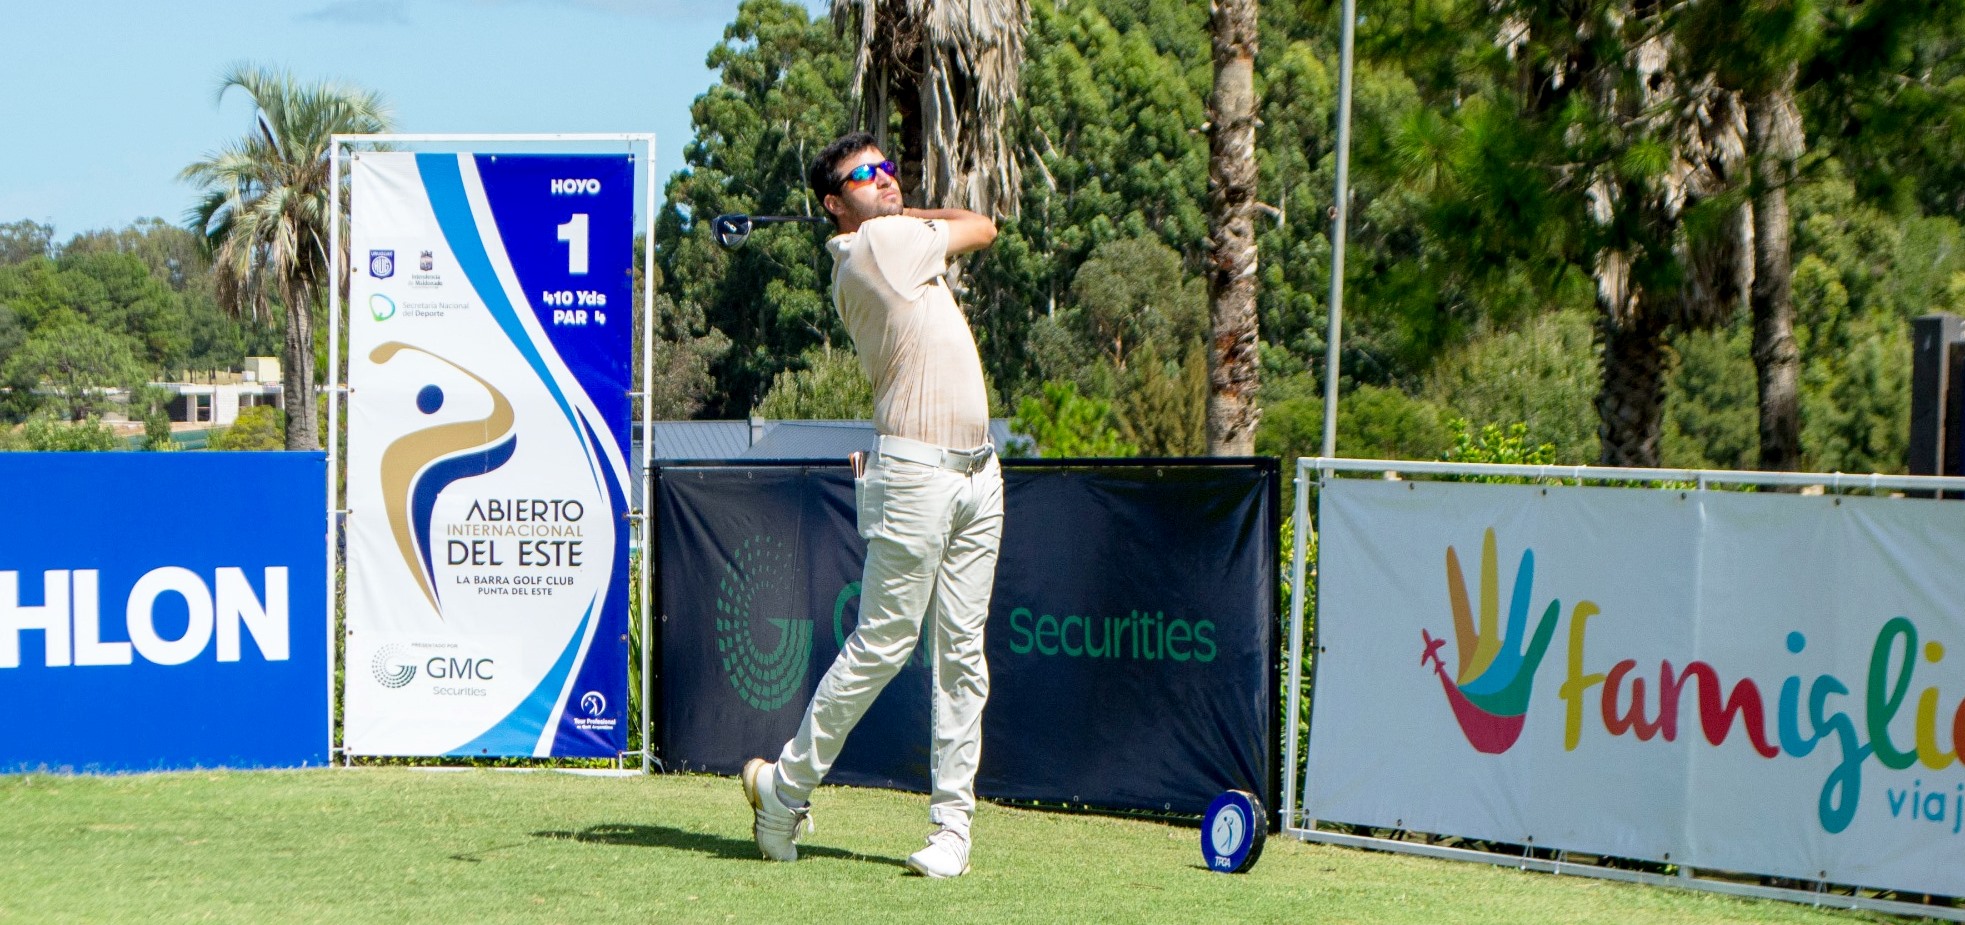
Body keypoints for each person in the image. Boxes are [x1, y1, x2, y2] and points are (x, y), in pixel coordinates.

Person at [741, 131, 1004, 879]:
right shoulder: (875, 249)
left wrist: (886, 206)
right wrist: (898, 215)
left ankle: (951, 829)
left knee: (963, 656)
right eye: (864, 175)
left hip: (979, 472)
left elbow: (966, 226)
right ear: (833, 204)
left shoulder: (886, 236)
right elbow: (981, 225)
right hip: (916, 472)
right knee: (883, 645)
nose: (885, 179)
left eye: (889, 168)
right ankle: (785, 788)